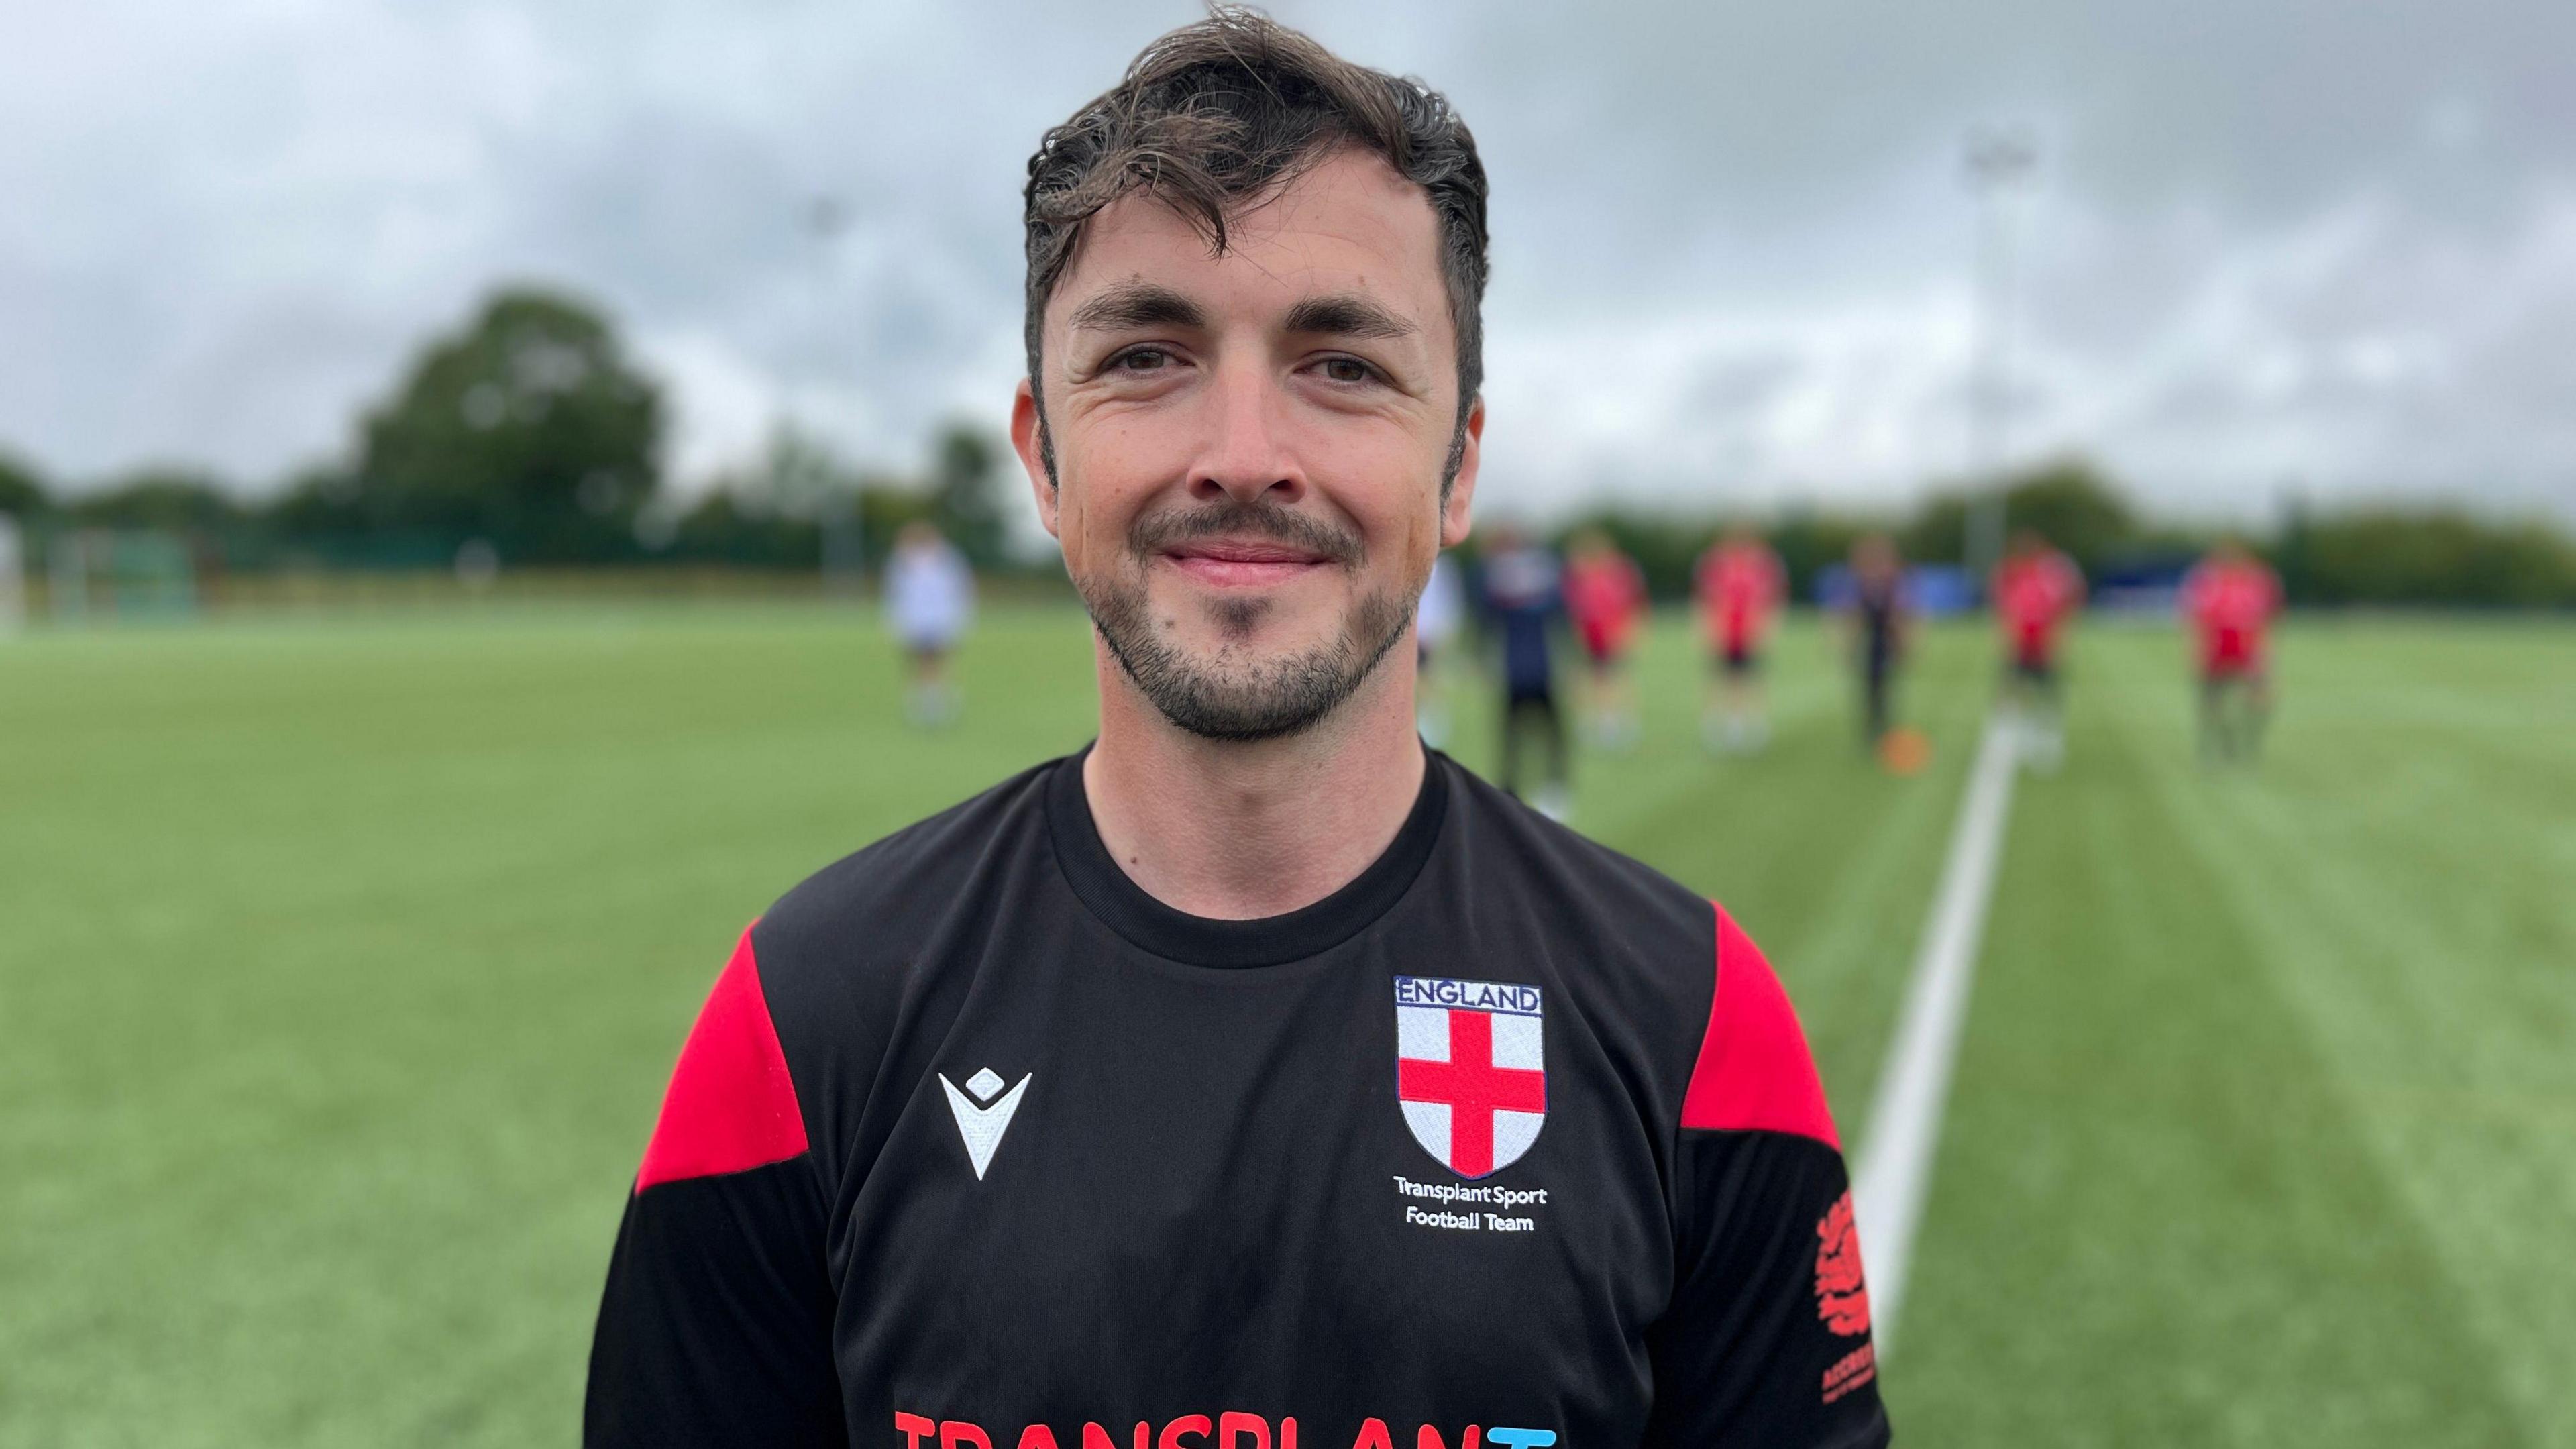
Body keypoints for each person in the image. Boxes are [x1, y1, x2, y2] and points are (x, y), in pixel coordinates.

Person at [584, 15, 1887, 1449]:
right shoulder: (805, 1016)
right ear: (1041, 456)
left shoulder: (1697, 1025)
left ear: (1459, 466)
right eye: (1149, 355)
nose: (1245, 454)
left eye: (1342, 364)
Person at [1475, 521, 1572, 820]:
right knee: (1536, 735)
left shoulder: (1502, 581)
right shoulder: (1539, 578)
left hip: (1524, 669)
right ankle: (1544, 788)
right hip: (1529, 669)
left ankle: (1532, 788)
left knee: (1528, 736)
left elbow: (1486, 620)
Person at [2180, 537, 2283, 763]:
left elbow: (2267, 619)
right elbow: (2195, 618)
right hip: (2217, 650)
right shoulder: (2207, 581)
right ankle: (2219, 744)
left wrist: (2267, 654)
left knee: (2260, 701)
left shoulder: (2257, 581)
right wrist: (2195, 650)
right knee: (2212, 702)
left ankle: (2248, 743)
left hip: (2248, 650)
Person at [1989, 528, 2084, 769]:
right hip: (2019, 643)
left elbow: (2064, 609)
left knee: (2046, 694)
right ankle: (2009, 740)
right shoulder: (2009, 574)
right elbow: (2003, 608)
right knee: (2012, 692)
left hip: (2043, 644)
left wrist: (2060, 641)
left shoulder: (2051, 575)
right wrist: (2005, 638)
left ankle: (2048, 741)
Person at [1694, 523, 1785, 753]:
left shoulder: (1762, 566)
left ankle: (1754, 724)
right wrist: (1708, 629)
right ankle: (1720, 723)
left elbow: (1772, 601)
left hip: (1749, 633)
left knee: (1751, 679)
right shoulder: (1716, 566)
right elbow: (1705, 600)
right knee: (1721, 679)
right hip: (1724, 632)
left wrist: (1766, 629)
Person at [883, 519, 976, 724]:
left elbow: (960, 589)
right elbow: (895, 593)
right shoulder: (902, 561)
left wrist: (961, 617)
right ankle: (922, 702)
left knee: (939, 663)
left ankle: (940, 700)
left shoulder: (948, 559)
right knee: (918, 663)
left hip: (940, 619)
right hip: (915, 620)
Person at [1561, 529, 1648, 750]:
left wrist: (1629, 633)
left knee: (1614, 678)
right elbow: (1573, 608)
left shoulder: (1619, 573)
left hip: (1612, 635)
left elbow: (1632, 604)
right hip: (1588, 636)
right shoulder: (1578, 576)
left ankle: (1618, 722)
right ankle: (1590, 721)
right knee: (1586, 681)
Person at [1843, 533, 1909, 753]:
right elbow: (1856, 617)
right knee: (1871, 687)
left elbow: (1898, 615)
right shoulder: (1862, 583)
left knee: (1884, 686)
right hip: (1871, 641)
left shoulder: (1892, 583)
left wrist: (1902, 641)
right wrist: (1850, 644)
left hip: (1886, 641)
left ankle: (1883, 728)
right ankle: (1874, 728)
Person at [1413, 549, 1465, 747]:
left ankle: (1433, 720)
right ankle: (1429, 718)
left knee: (1428, 677)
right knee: (1421, 678)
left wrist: (1444, 630)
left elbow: (1448, 601)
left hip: (1430, 631)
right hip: (1416, 631)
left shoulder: (1443, 568)